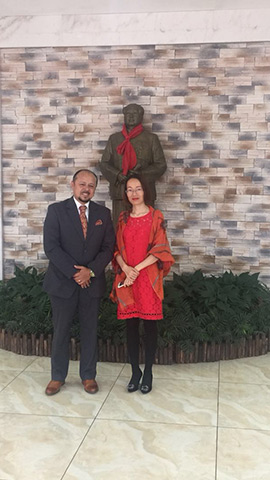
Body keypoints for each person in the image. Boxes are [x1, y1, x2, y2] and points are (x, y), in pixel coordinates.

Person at [42, 169, 115, 396]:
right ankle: (57, 377)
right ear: (72, 185)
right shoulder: (56, 211)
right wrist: (75, 273)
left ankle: (88, 376)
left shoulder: (103, 214)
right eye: (82, 184)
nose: (86, 189)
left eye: (91, 185)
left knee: (90, 331)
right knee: (61, 331)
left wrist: (90, 271)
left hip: (91, 284)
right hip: (62, 283)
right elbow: (51, 246)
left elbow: (108, 248)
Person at [110, 174, 174, 394]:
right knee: (130, 327)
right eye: (129, 189)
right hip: (127, 280)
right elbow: (116, 249)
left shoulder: (156, 216)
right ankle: (134, 372)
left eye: (138, 188)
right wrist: (126, 269)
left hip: (148, 279)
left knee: (150, 327)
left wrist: (135, 270)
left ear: (145, 190)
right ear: (125, 193)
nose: (134, 193)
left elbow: (160, 249)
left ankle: (148, 373)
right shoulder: (123, 218)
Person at [99, 103, 167, 225]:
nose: (131, 116)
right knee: (120, 228)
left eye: (134, 113)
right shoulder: (114, 139)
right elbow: (104, 164)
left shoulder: (151, 139)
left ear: (141, 116)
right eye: (128, 114)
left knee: (146, 229)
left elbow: (161, 165)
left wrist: (141, 175)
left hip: (144, 193)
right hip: (120, 192)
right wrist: (117, 174)